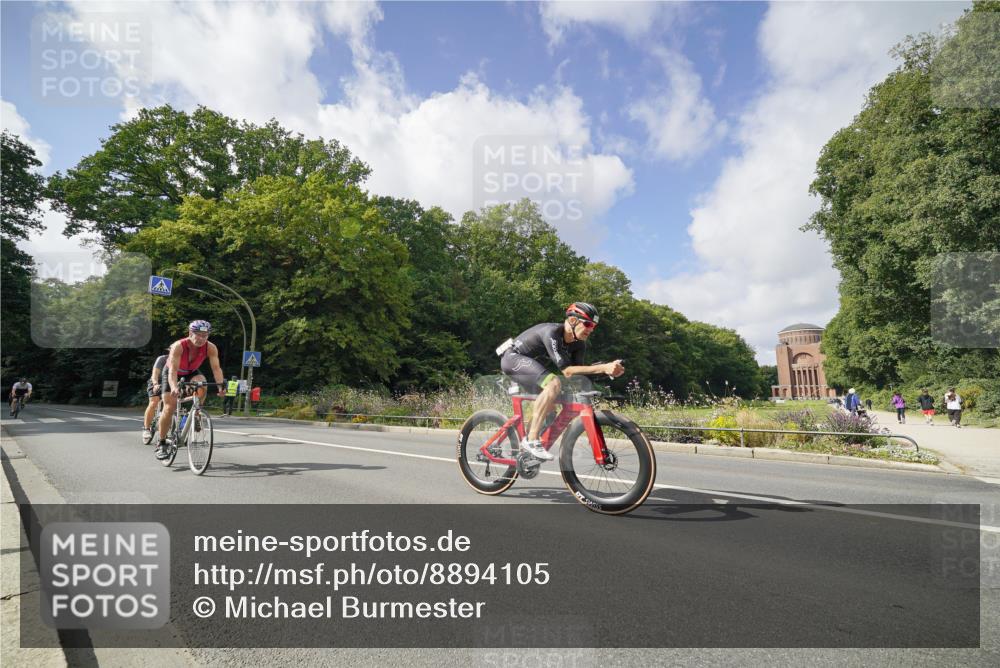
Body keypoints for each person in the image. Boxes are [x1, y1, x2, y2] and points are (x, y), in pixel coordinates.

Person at [498, 302, 624, 461]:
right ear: (572, 320)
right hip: (512, 359)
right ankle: (531, 440)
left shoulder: (579, 345)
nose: (591, 329)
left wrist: (608, 372)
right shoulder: (552, 333)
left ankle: (525, 452)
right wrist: (604, 367)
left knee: (551, 406)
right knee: (554, 383)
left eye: (594, 326)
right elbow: (568, 371)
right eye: (587, 324)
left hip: (533, 368)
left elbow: (577, 374)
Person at [155, 320, 226, 460]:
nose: (201, 339)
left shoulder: (211, 347)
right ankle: (161, 442)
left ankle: (197, 413)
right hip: (172, 372)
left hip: (190, 371)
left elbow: (216, 369)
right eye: (198, 334)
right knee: (169, 407)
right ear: (190, 333)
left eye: (205, 335)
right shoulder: (178, 346)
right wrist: (174, 387)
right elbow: (173, 371)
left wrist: (220, 387)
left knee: (202, 383)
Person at [142, 349, 169, 443]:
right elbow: (155, 374)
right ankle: (146, 428)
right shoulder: (162, 359)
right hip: (158, 382)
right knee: (154, 402)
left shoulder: (183, 361)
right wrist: (155, 383)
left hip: (170, 384)